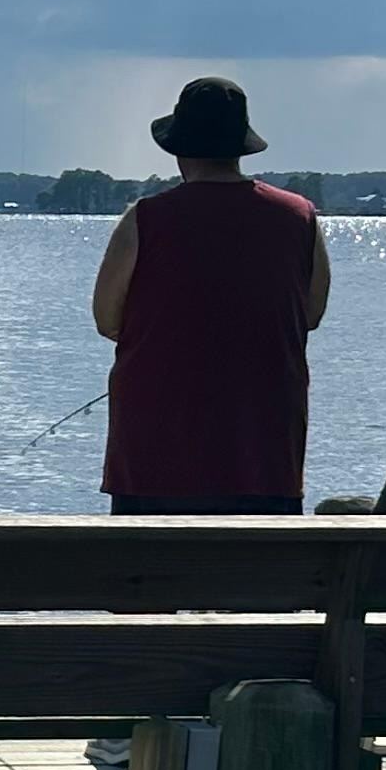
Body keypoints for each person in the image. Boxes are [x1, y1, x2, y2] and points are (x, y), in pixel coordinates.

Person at [91, 74, 330, 514]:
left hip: (154, 460)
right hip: (265, 457)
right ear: (241, 145)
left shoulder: (144, 219)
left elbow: (108, 320)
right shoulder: (300, 217)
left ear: (178, 149)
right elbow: (309, 313)